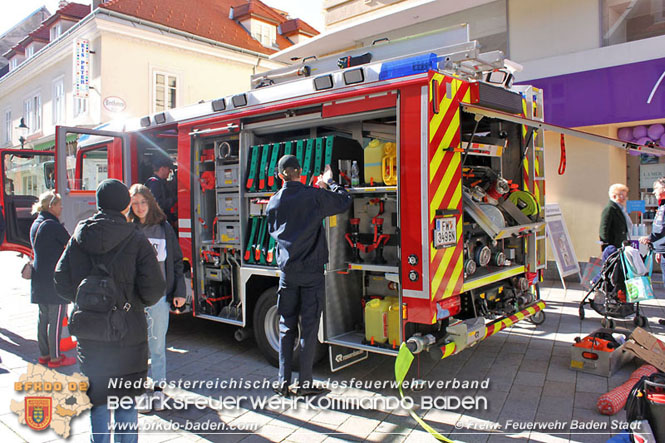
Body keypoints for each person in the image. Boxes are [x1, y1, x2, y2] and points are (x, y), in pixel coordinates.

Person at [54, 179, 165, 442]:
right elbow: (154, 290)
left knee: (99, 400)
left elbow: (60, 280)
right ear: (126, 205)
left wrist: (87, 301)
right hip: (128, 332)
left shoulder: (80, 235)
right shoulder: (137, 239)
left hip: (90, 333)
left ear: (99, 202)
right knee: (126, 400)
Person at [266, 155, 352, 397]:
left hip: (288, 274)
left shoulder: (273, 202)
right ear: (300, 172)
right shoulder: (313, 196)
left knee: (286, 327)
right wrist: (329, 183)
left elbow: (273, 229)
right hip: (312, 274)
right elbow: (344, 201)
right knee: (310, 328)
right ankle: (304, 384)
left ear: (280, 175)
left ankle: (283, 383)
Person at [128, 184, 186, 412]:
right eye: (135, 203)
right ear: (130, 206)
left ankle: (159, 390)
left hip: (159, 299)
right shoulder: (129, 229)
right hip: (133, 299)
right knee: (138, 348)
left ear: (150, 203)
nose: (140, 207)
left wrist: (179, 292)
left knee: (158, 347)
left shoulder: (163, 228)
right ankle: (141, 391)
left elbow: (176, 261)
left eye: (143, 202)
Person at [30, 191, 74, 368]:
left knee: (43, 318)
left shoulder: (37, 223)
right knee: (56, 320)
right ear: (51, 206)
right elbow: (71, 244)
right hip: (54, 279)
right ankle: (56, 357)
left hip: (39, 277)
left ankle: (45, 354)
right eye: (59, 205)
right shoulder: (53, 226)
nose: (61, 208)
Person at [599, 183, 631, 252]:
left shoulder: (621, 209)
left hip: (621, 245)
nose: (625, 198)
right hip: (613, 246)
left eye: (625, 196)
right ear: (614, 196)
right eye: (622, 196)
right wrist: (606, 247)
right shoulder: (610, 209)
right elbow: (604, 229)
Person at [145, 156, 176, 222]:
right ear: (162, 169)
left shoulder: (160, 182)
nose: (170, 172)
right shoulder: (154, 183)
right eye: (168, 169)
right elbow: (158, 204)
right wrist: (174, 199)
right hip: (158, 221)